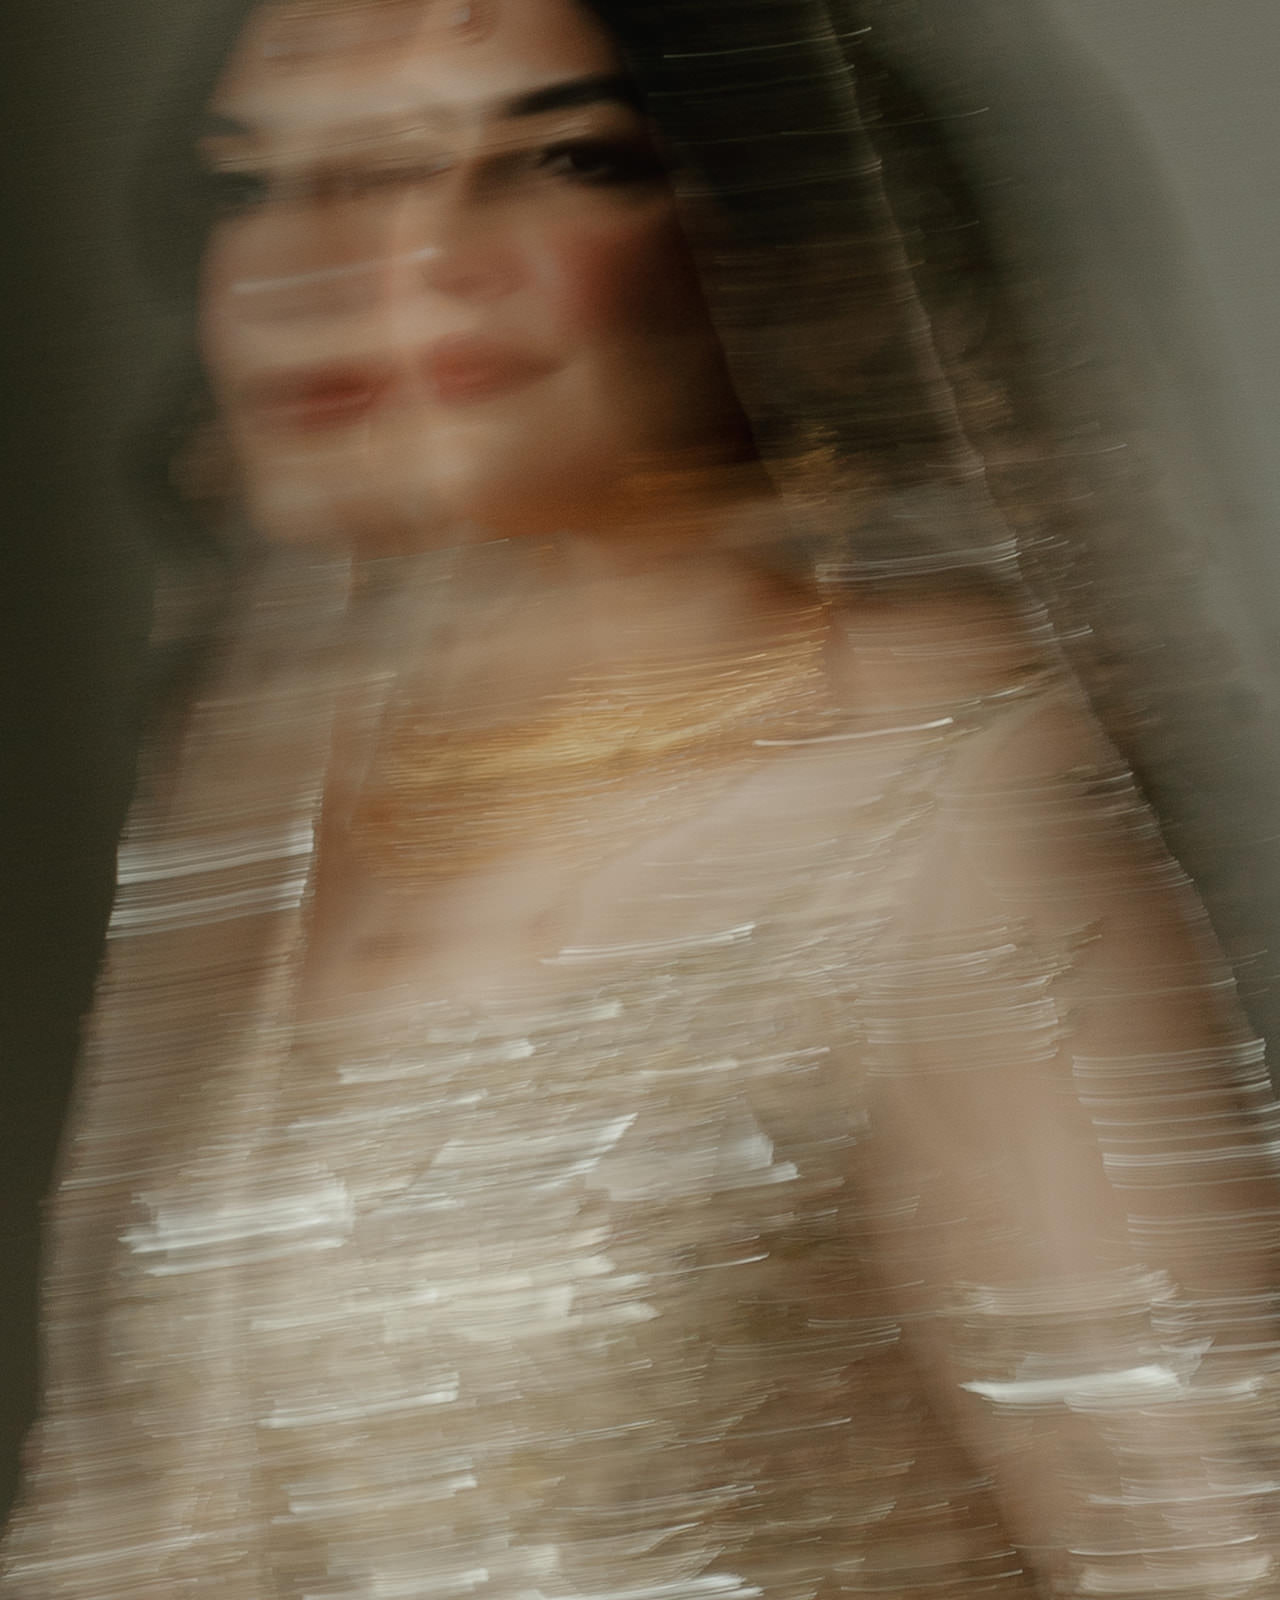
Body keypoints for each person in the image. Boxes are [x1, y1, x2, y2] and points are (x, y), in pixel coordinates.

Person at [6, 0, 1280, 1595]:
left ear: (769, 240)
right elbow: (138, 1517)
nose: (347, 263)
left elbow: (1206, 1510)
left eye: (548, 158)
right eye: (272, 181)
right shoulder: (281, 772)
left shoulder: (933, 773)